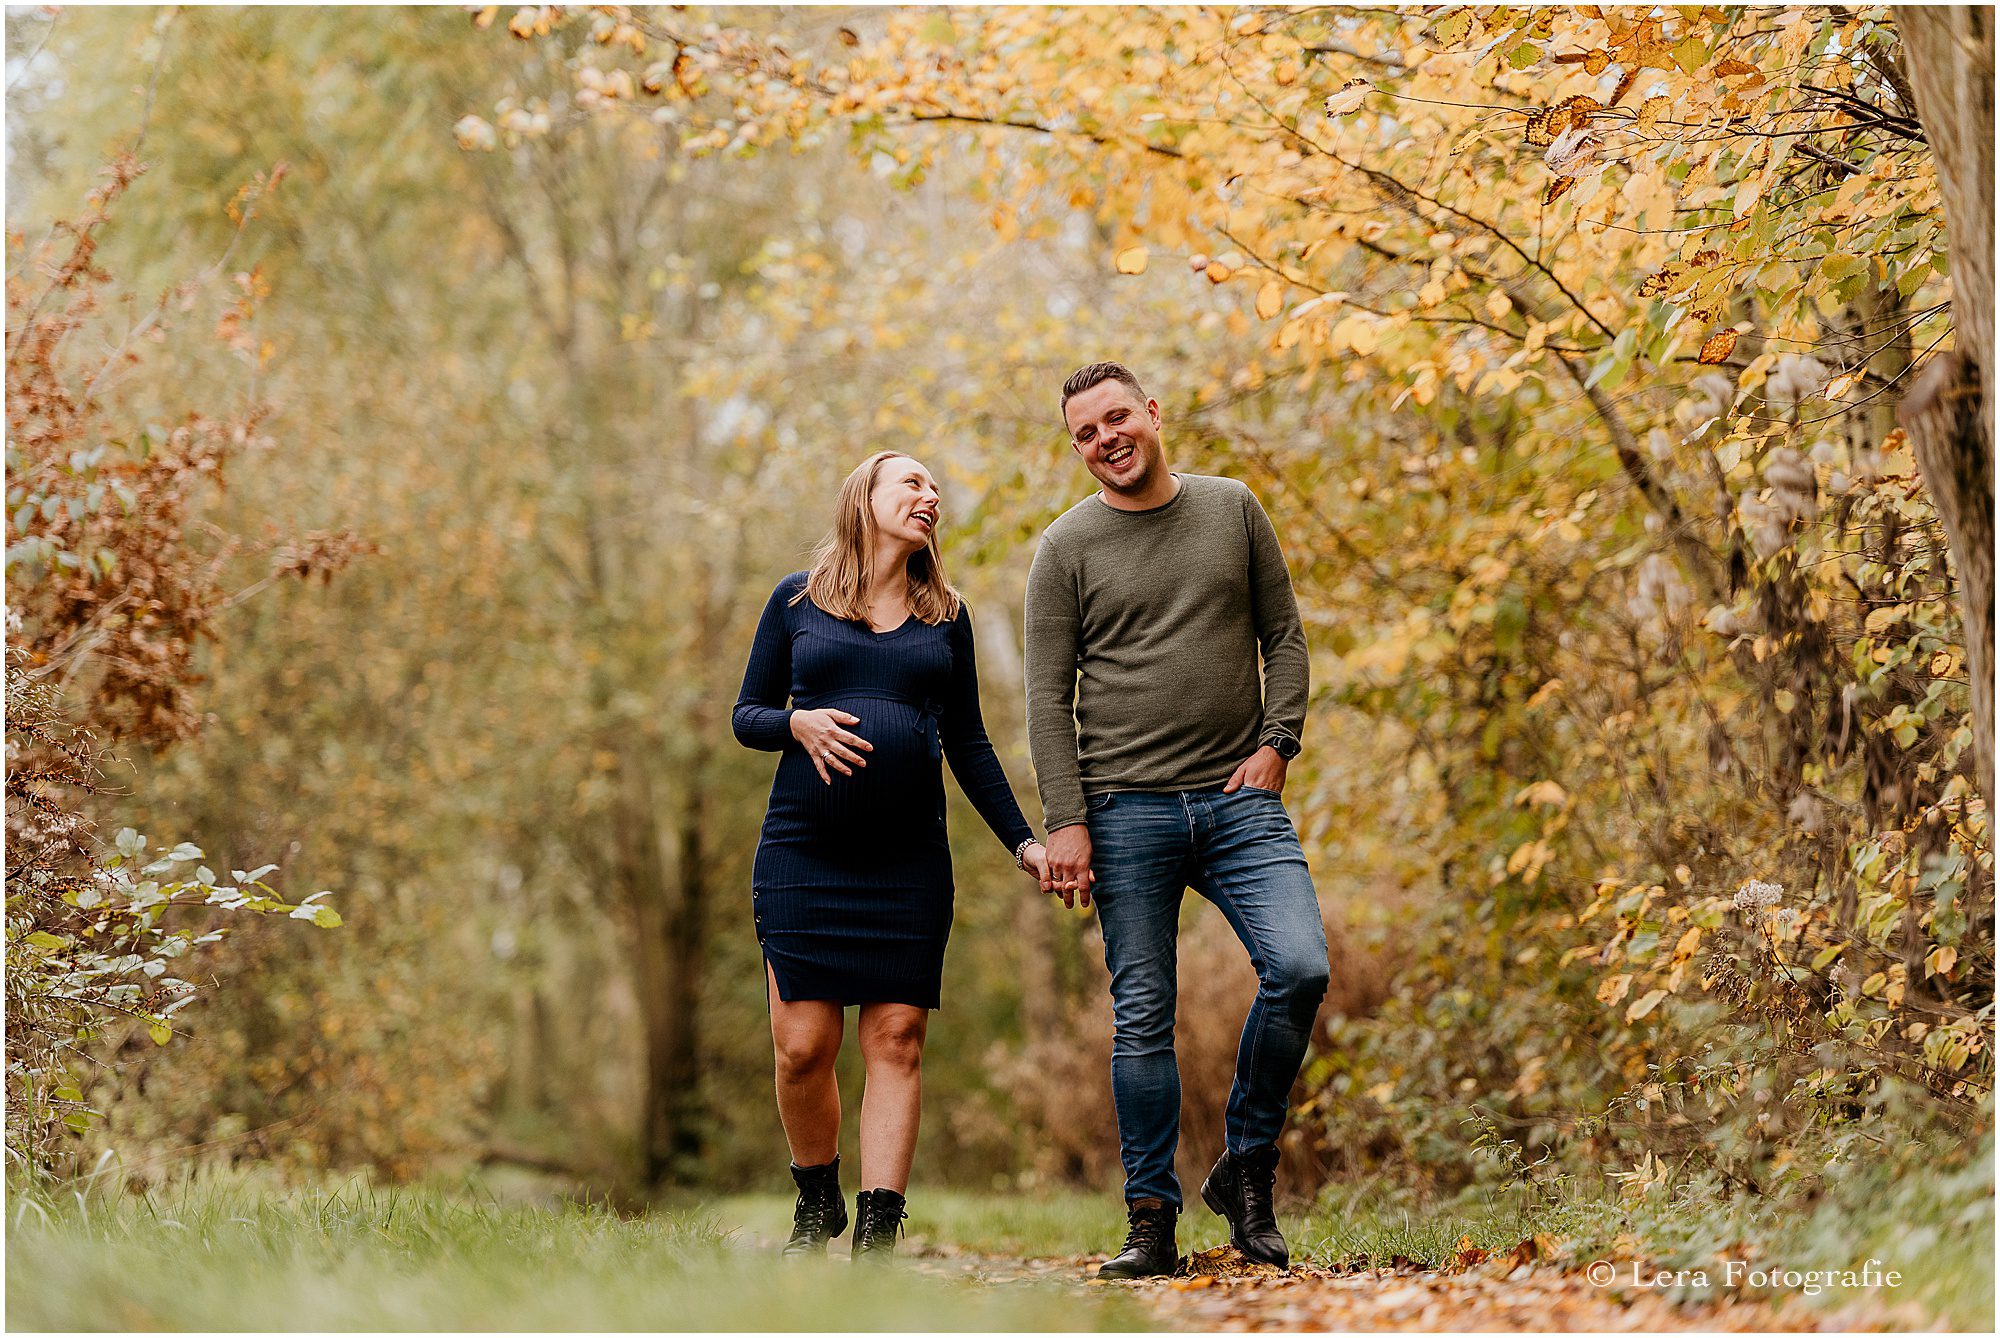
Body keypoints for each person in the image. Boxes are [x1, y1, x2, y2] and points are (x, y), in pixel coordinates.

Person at [1024, 362, 1329, 1279]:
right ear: (1076, 447)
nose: (1105, 440)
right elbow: (1047, 701)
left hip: (1239, 803)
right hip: (1123, 812)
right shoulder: (1064, 549)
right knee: (1143, 1016)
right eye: (1084, 432)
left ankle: (1244, 1164)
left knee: (1301, 965)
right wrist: (1066, 822)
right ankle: (1151, 1221)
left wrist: (1280, 740)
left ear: (1154, 414)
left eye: (1117, 418)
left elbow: (1285, 635)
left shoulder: (1232, 508)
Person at [733, 450, 1049, 1261]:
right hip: (805, 852)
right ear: (864, 499)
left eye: (935, 487)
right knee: (803, 1046)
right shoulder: (797, 600)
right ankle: (817, 1198)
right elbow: (748, 713)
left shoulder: (946, 615)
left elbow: (970, 743)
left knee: (897, 1037)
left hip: (908, 859)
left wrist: (1022, 840)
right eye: (911, 482)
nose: (930, 495)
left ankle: (877, 1229)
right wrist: (795, 724)